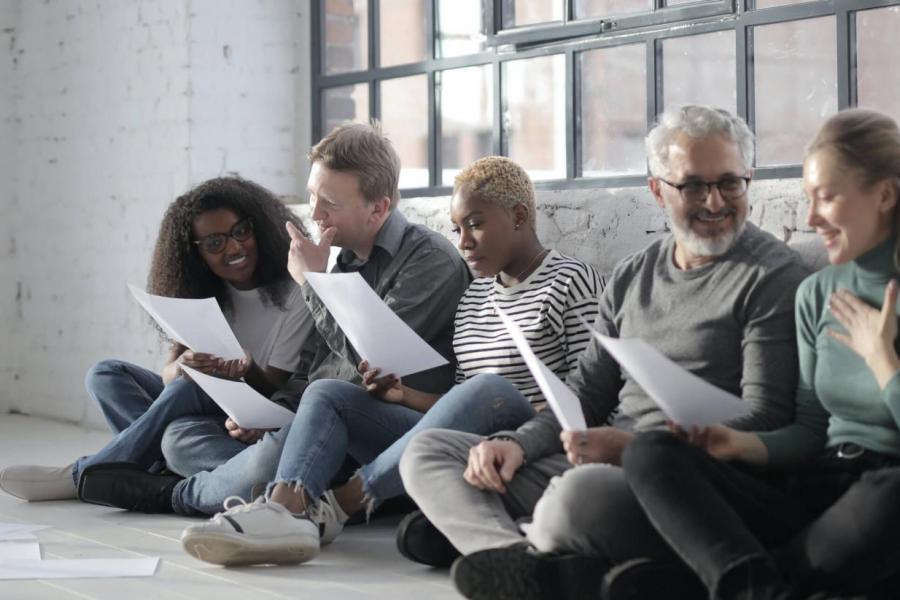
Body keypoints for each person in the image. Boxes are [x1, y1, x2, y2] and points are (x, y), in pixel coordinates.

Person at [399, 105, 811, 600]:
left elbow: (767, 418)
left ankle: (507, 544)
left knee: (574, 500)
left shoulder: (772, 277)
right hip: (604, 459)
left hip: (691, 481)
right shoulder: (632, 276)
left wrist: (629, 448)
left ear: (751, 179)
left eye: (731, 183)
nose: (715, 201)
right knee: (429, 453)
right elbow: (584, 397)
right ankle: (516, 560)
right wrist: (518, 444)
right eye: (693, 186)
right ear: (658, 189)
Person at [176, 156, 605, 567]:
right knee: (329, 393)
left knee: (491, 389)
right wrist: (403, 394)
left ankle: (335, 508)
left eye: (475, 225)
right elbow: (456, 403)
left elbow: (588, 399)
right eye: (457, 228)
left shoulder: (572, 280)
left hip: (526, 443)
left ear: (518, 215)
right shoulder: (476, 296)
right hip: (457, 441)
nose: (464, 242)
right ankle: (282, 510)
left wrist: (520, 435)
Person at [73, 122, 472, 531]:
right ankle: (243, 481)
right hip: (320, 419)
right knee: (181, 437)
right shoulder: (348, 262)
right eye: (313, 195)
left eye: (329, 203)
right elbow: (317, 369)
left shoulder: (429, 260)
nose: (315, 214)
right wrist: (275, 414)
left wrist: (309, 283)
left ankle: (172, 492)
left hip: (383, 427)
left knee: (267, 456)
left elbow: (373, 367)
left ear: (378, 208)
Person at [612, 109, 900, 600]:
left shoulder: (778, 277)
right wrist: (736, 445)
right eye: (808, 199)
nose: (809, 219)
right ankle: (760, 588)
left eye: (826, 198)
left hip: (884, 498)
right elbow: (809, 432)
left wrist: (883, 360)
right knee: (652, 450)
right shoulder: (816, 293)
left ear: (885, 195)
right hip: (817, 487)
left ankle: (706, 585)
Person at [0, 177, 315, 503]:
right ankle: (146, 466)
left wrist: (243, 371)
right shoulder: (205, 291)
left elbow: (272, 386)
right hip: (201, 408)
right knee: (106, 374)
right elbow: (169, 377)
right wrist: (182, 366)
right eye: (214, 243)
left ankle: (87, 472)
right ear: (196, 254)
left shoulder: (295, 289)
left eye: (240, 231)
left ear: (259, 227)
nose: (234, 247)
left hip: (255, 414)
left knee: (181, 425)